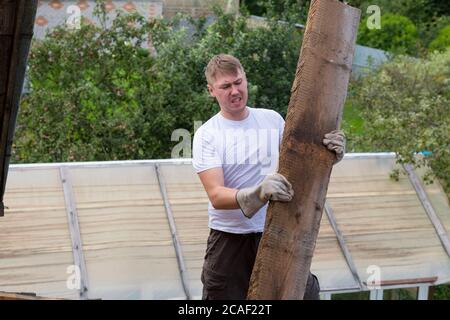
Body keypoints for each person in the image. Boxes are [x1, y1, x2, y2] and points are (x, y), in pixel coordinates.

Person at [192, 54, 345, 300]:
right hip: (230, 242)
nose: (235, 91)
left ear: (245, 79)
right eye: (225, 86)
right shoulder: (207, 134)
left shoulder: (271, 120)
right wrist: (258, 192)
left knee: (303, 295)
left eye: (238, 82)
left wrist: (328, 157)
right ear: (211, 90)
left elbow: (300, 165)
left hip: (277, 230)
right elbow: (216, 195)